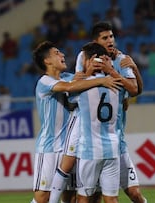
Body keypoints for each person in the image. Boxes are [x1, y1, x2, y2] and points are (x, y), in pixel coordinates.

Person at [49, 21, 146, 203]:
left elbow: (135, 89)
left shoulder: (121, 59)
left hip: (115, 139)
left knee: (131, 193)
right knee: (88, 190)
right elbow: (80, 81)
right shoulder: (84, 56)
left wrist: (133, 68)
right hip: (89, 132)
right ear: (96, 42)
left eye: (111, 36)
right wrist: (105, 80)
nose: (110, 41)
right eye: (105, 38)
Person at [31, 41, 122, 203]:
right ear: (47, 61)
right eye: (57, 53)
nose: (62, 55)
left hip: (71, 147)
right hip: (50, 147)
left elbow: (82, 82)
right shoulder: (44, 82)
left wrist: (90, 72)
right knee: (42, 198)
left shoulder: (69, 78)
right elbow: (69, 87)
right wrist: (101, 81)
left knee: (71, 198)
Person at [74, 42, 122, 203]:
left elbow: (70, 98)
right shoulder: (116, 83)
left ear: (91, 60)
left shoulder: (82, 88)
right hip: (112, 148)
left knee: (84, 198)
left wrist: (86, 73)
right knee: (111, 198)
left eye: (84, 60)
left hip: (90, 150)